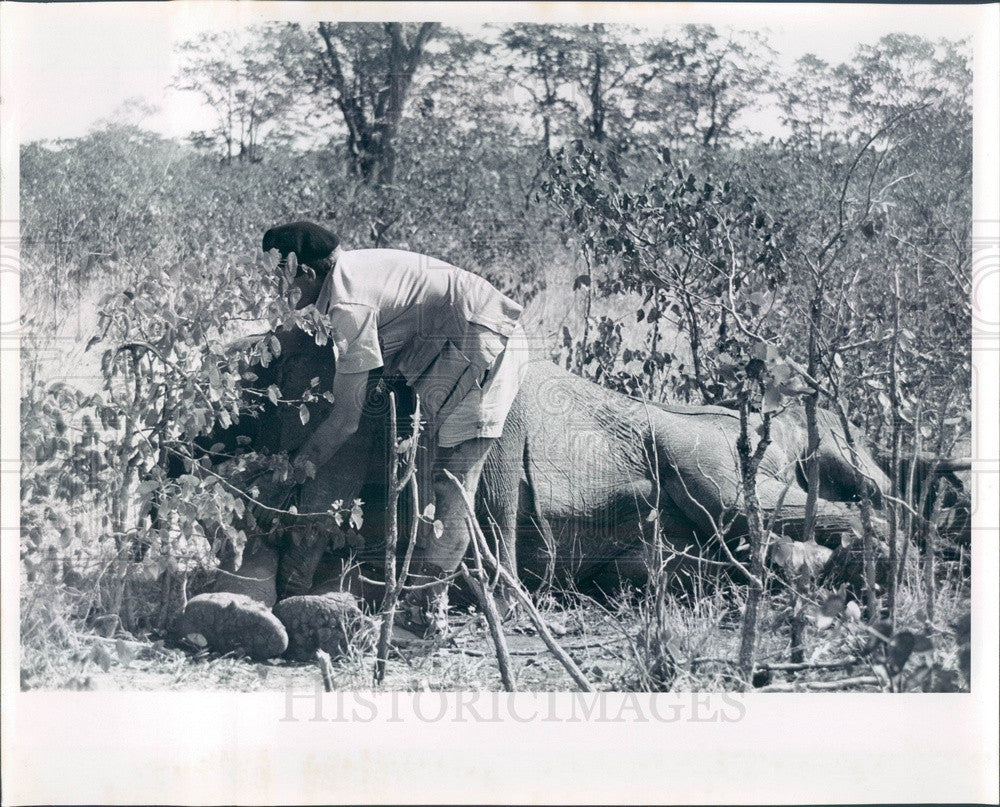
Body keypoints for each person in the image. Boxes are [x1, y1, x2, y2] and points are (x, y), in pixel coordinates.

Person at [262, 222, 530, 633]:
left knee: (453, 484)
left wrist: (294, 472)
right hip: (455, 345)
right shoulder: (347, 275)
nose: (278, 291)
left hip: (486, 344)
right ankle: (492, 599)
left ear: (307, 274)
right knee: (444, 478)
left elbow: (346, 420)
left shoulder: (349, 306)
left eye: (280, 278)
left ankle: (426, 617)